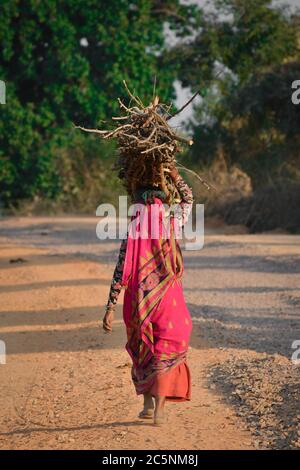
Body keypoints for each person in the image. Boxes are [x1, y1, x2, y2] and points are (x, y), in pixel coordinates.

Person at [102, 164, 194, 425]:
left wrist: (110, 307)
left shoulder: (133, 231)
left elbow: (120, 271)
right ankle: (158, 408)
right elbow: (188, 199)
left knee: (144, 346)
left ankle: (148, 403)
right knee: (165, 344)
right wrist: (176, 177)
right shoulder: (171, 222)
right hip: (167, 299)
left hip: (138, 300)